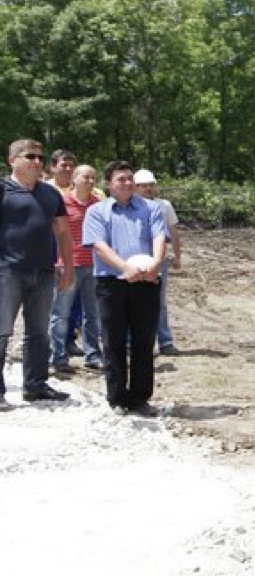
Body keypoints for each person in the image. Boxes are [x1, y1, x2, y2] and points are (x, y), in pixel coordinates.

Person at [82, 160, 168, 417]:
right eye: (121, 179)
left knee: (144, 340)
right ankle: (117, 397)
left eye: (130, 178)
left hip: (146, 282)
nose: (128, 183)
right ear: (108, 184)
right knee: (114, 340)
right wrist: (124, 268)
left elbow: (159, 238)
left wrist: (155, 265)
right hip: (112, 283)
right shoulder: (97, 212)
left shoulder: (151, 208)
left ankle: (140, 397)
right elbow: (99, 246)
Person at [0, 139, 74, 406]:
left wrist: (68, 266)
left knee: (38, 332)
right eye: (30, 156)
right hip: (7, 271)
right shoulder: (3, 189)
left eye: (39, 157)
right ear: (12, 160)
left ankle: (35, 385)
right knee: (2, 330)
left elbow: (63, 232)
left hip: (43, 272)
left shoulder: (50, 194)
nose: (36, 162)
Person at [49, 164, 105, 373]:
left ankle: (93, 354)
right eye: (86, 177)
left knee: (93, 313)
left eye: (93, 178)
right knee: (60, 313)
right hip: (67, 264)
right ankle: (57, 356)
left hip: (93, 265)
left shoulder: (98, 204)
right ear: (74, 179)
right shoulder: (61, 202)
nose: (90, 181)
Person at [133, 169, 181, 356]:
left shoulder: (164, 206)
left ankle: (165, 341)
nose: (148, 188)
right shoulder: (130, 205)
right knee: (135, 302)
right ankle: (139, 342)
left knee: (159, 302)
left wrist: (177, 256)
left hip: (158, 260)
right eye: (144, 185)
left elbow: (174, 232)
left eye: (151, 185)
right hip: (136, 259)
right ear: (136, 187)